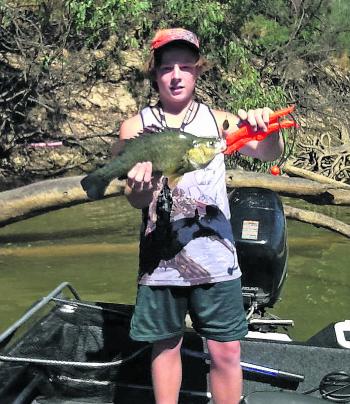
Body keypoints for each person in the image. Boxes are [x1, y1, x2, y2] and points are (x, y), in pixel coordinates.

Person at [117, 28, 284, 404]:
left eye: (185, 67)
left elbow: (267, 152)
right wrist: (141, 187)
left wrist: (267, 128)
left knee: (226, 352)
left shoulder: (219, 122)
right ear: (155, 73)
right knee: (165, 348)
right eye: (167, 67)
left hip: (217, 260)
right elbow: (134, 198)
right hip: (160, 262)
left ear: (197, 71)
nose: (176, 75)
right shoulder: (135, 128)